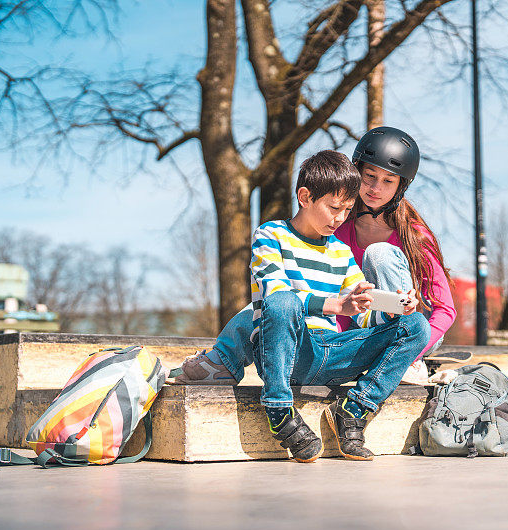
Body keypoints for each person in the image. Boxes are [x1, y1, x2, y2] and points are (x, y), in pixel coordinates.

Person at [176, 150, 430, 463]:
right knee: (280, 303)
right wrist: (336, 305)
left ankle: (354, 409)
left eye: (347, 210)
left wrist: (393, 308)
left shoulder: (340, 252)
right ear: (305, 197)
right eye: (334, 208)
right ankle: (280, 409)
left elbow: (364, 317)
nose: (339, 219)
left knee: (417, 326)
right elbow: (276, 294)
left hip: (335, 353)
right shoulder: (270, 236)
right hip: (292, 350)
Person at [334, 126, 456, 384]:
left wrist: (413, 352)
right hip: (365, 328)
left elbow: (445, 309)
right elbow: (338, 299)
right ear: (357, 173)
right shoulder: (339, 230)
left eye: (388, 180)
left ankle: (409, 363)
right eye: (369, 176)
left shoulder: (414, 234)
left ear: (401, 185)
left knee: (378, 254)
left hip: (415, 333)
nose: (375, 188)